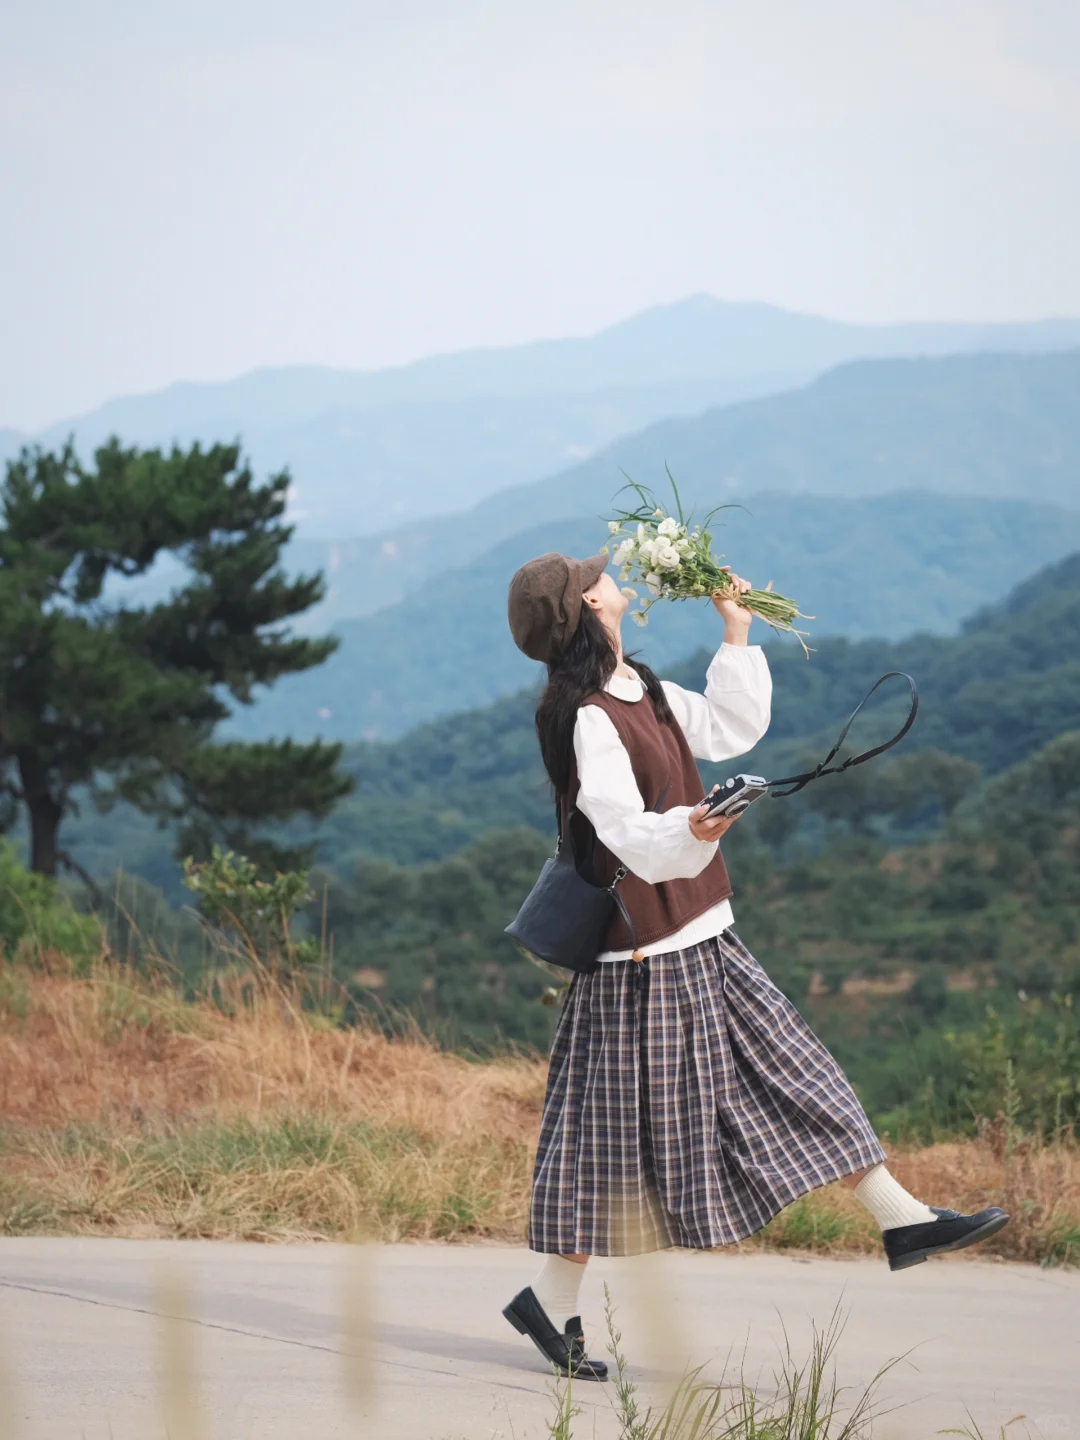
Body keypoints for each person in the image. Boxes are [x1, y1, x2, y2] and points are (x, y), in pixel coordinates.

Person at [500, 551, 1009, 1382]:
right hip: (641, 962)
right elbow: (620, 829)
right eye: (598, 576)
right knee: (608, 1150)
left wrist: (736, 632)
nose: (612, 574)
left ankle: (902, 1216)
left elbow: (730, 731)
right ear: (589, 606)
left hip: (704, 930)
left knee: (796, 1070)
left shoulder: (645, 687)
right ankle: (549, 1302)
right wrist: (693, 831)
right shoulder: (587, 714)